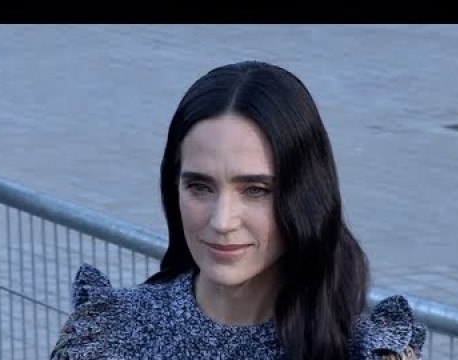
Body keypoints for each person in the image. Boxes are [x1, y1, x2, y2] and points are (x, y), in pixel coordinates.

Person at [50, 60, 426, 360]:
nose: (222, 221)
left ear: (305, 197)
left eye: (256, 190)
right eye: (200, 186)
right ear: (173, 186)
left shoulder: (364, 350)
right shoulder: (110, 336)